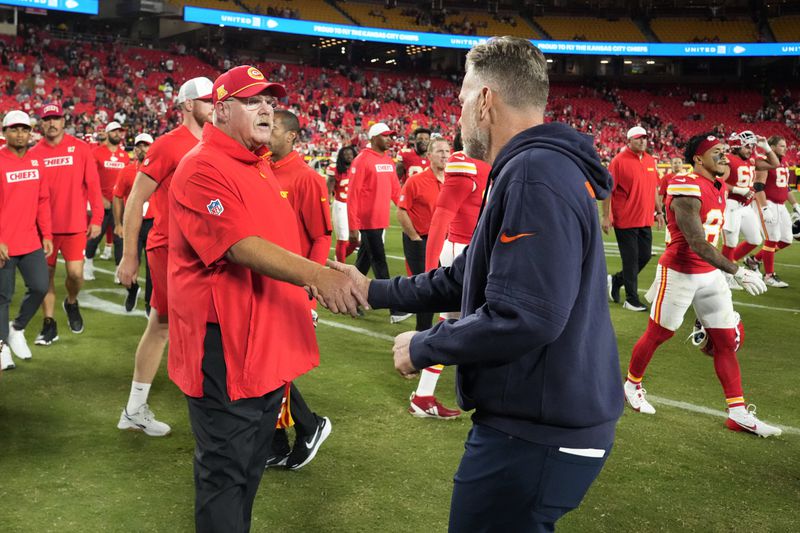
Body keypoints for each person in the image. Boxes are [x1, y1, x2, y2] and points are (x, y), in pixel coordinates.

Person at [332, 37, 623, 531]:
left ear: (486, 100)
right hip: (542, 420)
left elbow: (526, 315)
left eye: (463, 96)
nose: (459, 110)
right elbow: (466, 277)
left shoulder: (535, 173)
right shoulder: (533, 166)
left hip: (536, 431)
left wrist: (425, 345)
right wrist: (371, 290)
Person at [167, 64, 365, 532]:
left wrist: (313, 284)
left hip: (265, 344)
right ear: (221, 109)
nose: (266, 109)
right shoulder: (200, 167)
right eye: (253, 100)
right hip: (225, 345)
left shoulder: (257, 166)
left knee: (251, 466)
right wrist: (318, 275)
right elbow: (238, 245)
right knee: (226, 472)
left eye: (270, 102)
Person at [623, 133, 781, 438]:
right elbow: (696, 242)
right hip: (680, 271)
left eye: (724, 151)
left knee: (726, 340)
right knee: (660, 333)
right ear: (698, 158)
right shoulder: (686, 185)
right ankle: (632, 384)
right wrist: (737, 271)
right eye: (717, 152)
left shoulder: (718, 184)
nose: (724, 156)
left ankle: (737, 412)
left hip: (709, 274)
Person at [115, 77, 214, 436]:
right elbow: (135, 200)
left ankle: (137, 408)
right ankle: (137, 408)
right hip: (170, 248)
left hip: (203, 250)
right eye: (207, 100)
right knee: (164, 325)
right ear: (188, 104)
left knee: (169, 325)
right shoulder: (169, 144)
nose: (214, 105)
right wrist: (129, 257)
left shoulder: (213, 141)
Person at [264, 108, 333, 470]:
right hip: (263, 279)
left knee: (273, 367)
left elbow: (321, 236)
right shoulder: (260, 167)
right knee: (265, 364)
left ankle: (309, 425)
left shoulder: (306, 178)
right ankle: (274, 442)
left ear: (291, 136)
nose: (265, 131)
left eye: (272, 127)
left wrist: (309, 288)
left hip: (290, 285)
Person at [412, 133, 491, 420]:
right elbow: (442, 216)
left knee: (460, 324)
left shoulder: (489, 161)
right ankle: (423, 390)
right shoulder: (464, 162)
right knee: (459, 325)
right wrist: (430, 270)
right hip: (463, 253)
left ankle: (423, 395)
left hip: (478, 253)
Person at [30, 102, 103, 344]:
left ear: (64, 121)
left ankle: (71, 302)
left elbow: (93, 186)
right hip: (43, 230)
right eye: (47, 119)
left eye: (56, 118)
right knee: (45, 278)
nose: (52, 123)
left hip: (74, 227)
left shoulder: (80, 149)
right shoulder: (33, 154)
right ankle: (49, 324)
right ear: (41, 123)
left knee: (75, 275)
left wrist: (98, 219)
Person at [0, 111, 53, 370]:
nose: (20, 134)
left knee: (41, 286)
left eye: (24, 129)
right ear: (4, 132)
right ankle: (1, 347)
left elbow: (43, 201)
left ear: (30, 132)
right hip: (3, 244)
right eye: (14, 129)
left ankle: (16, 328)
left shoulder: (37, 162)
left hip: (30, 240)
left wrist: (48, 234)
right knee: (2, 297)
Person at [347, 122, 408, 323]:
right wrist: (353, 226)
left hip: (380, 221)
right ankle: (395, 309)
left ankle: (349, 298)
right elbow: (353, 195)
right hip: (367, 222)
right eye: (386, 136)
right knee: (380, 263)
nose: (390, 139)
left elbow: (395, 192)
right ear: (373, 138)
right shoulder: (362, 160)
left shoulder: (388, 161)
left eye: (391, 136)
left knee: (362, 264)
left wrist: (407, 209)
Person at [602, 126, 664, 311]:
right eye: (638, 138)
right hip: (625, 218)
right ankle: (631, 299)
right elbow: (608, 190)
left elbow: (653, 188)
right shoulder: (618, 161)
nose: (642, 141)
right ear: (629, 141)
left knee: (644, 256)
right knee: (630, 260)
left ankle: (616, 280)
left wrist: (659, 211)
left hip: (645, 219)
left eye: (644, 138)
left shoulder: (651, 160)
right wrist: (606, 216)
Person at [397, 137, 450, 332]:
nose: (445, 155)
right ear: (429, 156)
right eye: (439, 151)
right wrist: (415, 238)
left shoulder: (453, 181)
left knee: (446, 286)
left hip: (445, 241)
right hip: (421, 240)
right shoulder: (416, 181)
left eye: (447, 151)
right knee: (426, 287)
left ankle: (443, 333)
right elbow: (401, 211)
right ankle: (422, 333)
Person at [720, 130, 778, 289]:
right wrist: (738, 190)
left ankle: (728, 266)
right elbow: (718, 182)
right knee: (730, 242)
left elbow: (775, 164)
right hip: (731, 205)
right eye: (747, 146)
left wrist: (766, 147)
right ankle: (725, 275)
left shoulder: (752, 161)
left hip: (745, 206)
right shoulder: (728, 160)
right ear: (737, 146)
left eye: (752, 146)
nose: (750, 149)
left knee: (755, 239)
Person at [745, 135, 800, 287]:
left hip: (781, 205)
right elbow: (758, 187)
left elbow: (786, 188)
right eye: (782, 145)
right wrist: (764, 208)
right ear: (772, 147)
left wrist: (796, 205)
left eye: (785, 145)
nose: (785, 148)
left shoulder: (784, 163)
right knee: (772, 238)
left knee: (786, 239)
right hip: (767, 202)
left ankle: (754, 260)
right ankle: (769, 276)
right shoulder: (764, 162)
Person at [112, 133, 154, 312]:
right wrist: (118, 224)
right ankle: (132, 289)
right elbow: (116, 196)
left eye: (146, 145)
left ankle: (149, 304)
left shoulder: (161, 170)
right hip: (132, 223)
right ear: (135, 149)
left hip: (154, 223)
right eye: (139, 145)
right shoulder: (127, 171)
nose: (142, 149)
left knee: (154, 269)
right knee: (125, 264)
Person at [85, 120, 129, 280]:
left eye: (120, 131)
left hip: (119, 204)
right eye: (115, 131)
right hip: (101, 204)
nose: (118, 134)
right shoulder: (96, 152)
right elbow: (90, 178)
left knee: (119, 238)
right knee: (95, 236)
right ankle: (87, 265)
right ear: (108, 133)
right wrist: (99, 198)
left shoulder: (124, 156)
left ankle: (119, 271)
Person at [326, 145, 357, 262]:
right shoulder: (336, 170)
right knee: (343, 238)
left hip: (355, 206)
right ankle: (341, 266)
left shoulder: (357, 168)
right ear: (341, 156)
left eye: (351, 153)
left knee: (355, 240)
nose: (349, 156)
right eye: (346, 154)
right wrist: (327, 203)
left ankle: (339, 259)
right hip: (341, 205)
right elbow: (328, 189)